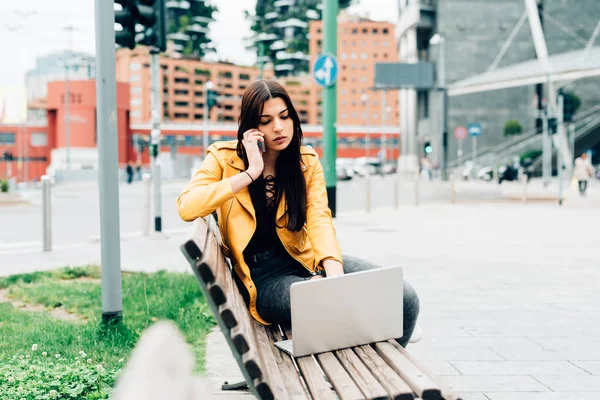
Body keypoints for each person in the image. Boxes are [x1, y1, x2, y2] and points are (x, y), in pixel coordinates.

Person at [177, 80, 420, 347]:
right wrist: (250, 174)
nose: (278, 127)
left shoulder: (306, 162)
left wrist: (334, 277)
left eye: (284, 116)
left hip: (306, 260)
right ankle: (357, 375)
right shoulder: (223, 158)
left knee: (404, 298)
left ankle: (381, 375)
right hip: (263, 279)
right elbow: (187, 207)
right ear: (251, 129)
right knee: (322, 302)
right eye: (266, 121)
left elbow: (319, 220)